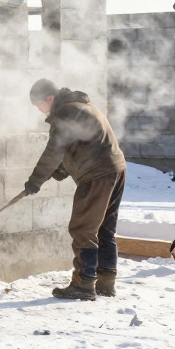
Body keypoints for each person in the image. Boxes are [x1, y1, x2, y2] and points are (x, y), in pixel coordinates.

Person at [23, 78, 127, 300]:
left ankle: (84, 284)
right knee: (104, 227)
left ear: (50, 98)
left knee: (83, 228)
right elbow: (78, 147)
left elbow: (54, 151)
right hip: (115, 169)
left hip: (97, 174)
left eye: (39, 105)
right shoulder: (81, 107)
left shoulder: (66, 113)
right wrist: (58, 172)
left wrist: (35, 180)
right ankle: (106, 281)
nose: (39, 110)